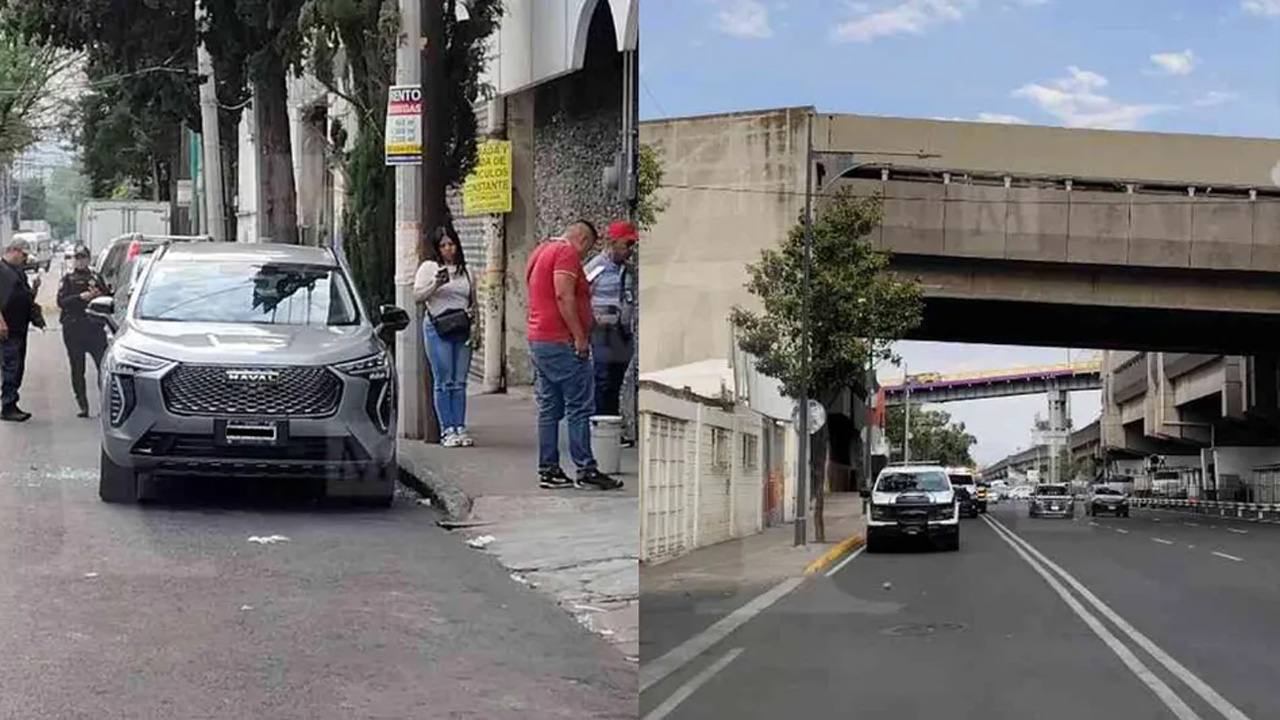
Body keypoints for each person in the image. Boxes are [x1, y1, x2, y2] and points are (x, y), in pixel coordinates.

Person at [526, 220, 623, 491]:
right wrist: (579, 335)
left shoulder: (541, 250)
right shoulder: (565, 253)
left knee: (549, 408)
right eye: (587, 249)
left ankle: (549, 470)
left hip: (539, 338)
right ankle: (586, 469)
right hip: (561, 341)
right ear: (582, 239)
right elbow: (563, 295)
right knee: (579, 406)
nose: (584, 256)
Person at [414, 226, 477, 448]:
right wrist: (436, 284)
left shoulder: (466, 270)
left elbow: (473, 300)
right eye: (443, 245)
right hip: (437, 327)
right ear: (436, 248)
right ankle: (447, 429)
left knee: (459, 382)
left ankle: (460, 426)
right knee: (444, 381)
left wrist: (476, 328)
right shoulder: (429, 268)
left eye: (451, 244)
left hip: (461, 327)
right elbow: (417, 296)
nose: (448, 249)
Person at [584, 220, 638, 418]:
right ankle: (600, 421)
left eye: (632, 245)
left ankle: (612, 422)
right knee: (603, 380)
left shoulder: (628, 270)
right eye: (627, 244)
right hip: (602, 331)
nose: (630, 250)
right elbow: (580, 294)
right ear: (613, 242)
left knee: (616, 380)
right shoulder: (596, 267)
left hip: (623, 331)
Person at [57, 244, 109, 418]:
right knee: (77, 368)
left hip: (94, 327)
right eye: (77, 258)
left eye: (83, 258)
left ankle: (105, 405)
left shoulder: (96, 277)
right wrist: (80, 297)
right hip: (74, 328)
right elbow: (61, 302)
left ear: (88, 259)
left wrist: (98, 294)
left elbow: (108, 297)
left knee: (103, 367)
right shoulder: (68, 279)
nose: (80, 261)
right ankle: (83, 405)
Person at [0, 238, 46, 422]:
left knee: (17, 366)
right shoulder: (2, 271)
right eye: (23, 255)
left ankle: (12, 403)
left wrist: (34, 289)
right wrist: (1, 322)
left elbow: (26, 298)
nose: (25, 259)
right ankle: (8, 406)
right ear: (14, 251)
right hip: (7, 329)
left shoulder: (18, 272)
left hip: (19, 327)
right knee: (11, 366)